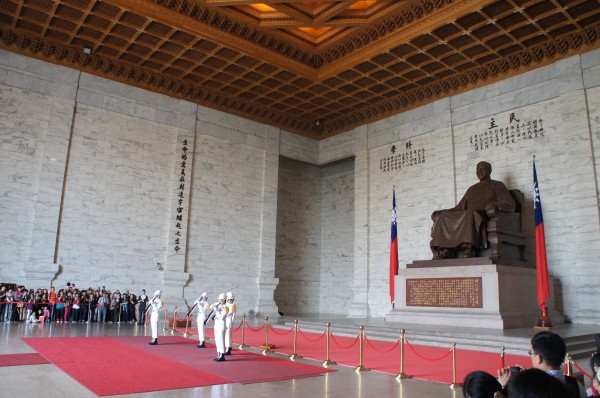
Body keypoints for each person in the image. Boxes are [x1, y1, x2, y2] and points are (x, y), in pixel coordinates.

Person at [430, 161, 515, 259]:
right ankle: (445, 250)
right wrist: (443, 211)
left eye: (482, 169)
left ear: (489, 170)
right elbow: (459, 208)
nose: (479, 171)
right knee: (443, 217)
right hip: (469, 215)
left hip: (483, 215)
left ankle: (469, 249)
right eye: (477, 169)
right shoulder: (472, 189)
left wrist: (496, 204)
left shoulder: (497, 185)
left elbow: (510, 204)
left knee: (471, 213)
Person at [498, 331, 585, 398]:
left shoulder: (531, 389)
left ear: (539, 358)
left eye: (530, 353)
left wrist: (504, 387)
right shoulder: (575, 383)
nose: (530, 356)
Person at [212, 293, 228, 362]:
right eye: (220, 300)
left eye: (222, 300)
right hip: (217, 324)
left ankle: (222, 355)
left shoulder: (226, 307)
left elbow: (222, 317)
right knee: (217, 340)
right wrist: (216, 307)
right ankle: (218, 354)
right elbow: (211, 306)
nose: (221, 301)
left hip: (221, 324)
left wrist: (217, 311)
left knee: (221, 340)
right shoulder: (218, 306)